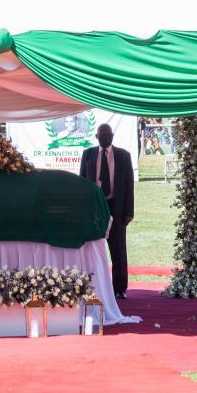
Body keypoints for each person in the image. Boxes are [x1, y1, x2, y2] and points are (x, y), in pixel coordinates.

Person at [79, 123, 134, 299]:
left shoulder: (123, 156)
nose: (105, 137)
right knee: (92, 248)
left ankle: (120, 288)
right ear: (96, 137)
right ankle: (92, 285)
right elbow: (82, 183)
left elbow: (129, 185)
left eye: (107, 134)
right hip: (94, 208)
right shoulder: (88, 155)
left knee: (118, 249)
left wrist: (129, 212)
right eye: (101, 135)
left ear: (112, 135)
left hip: (115, 207)